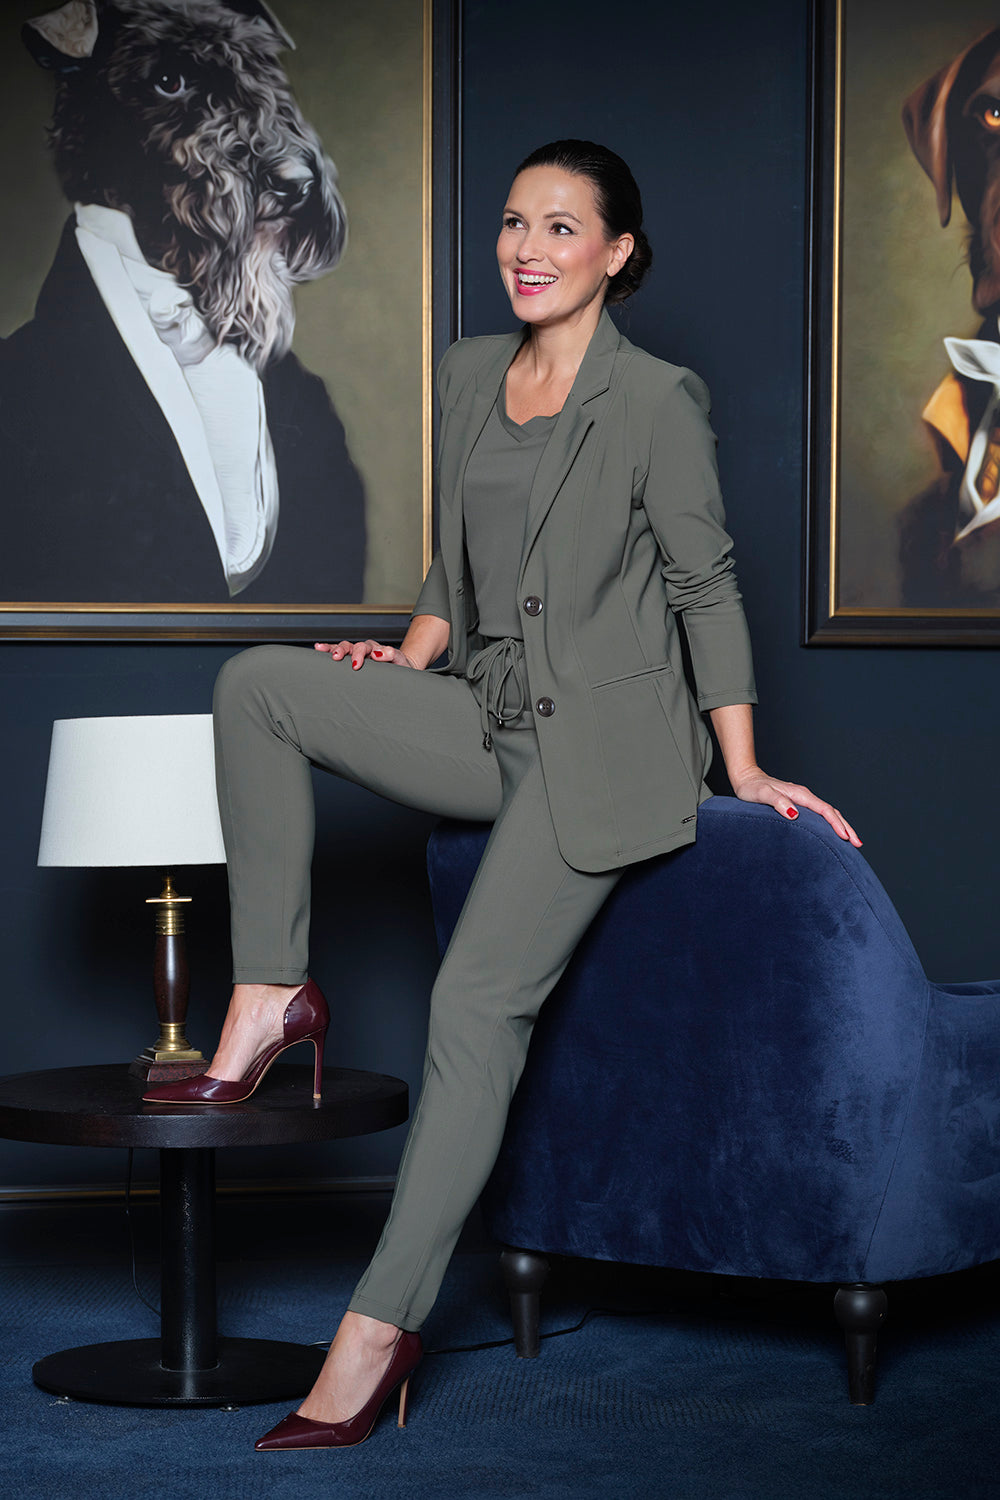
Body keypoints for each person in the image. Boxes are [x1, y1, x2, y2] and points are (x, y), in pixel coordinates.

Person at [144, 139, 861, 1449]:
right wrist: (408, 666)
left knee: (474, 1007)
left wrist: (745, 765)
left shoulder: (658, 400)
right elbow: (452, 567)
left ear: (617, 253)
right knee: (259, 686)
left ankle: (380, 1327)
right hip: (488, 715)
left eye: (562, 228)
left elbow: (705, 584)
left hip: (610, 752)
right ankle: (270, 992)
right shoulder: (472, 373)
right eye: (516, 223)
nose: (528, 248)